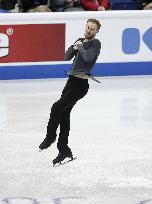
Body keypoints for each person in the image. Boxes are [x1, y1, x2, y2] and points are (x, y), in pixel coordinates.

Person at [39, 18, 101, 166]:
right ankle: (64, 150)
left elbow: (88, 58)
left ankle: (50, 137)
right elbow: (66, 57)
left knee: (56, 107)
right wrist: (74, 47)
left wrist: (80, 47)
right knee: (64, 113)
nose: (89, 30)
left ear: (97, 31)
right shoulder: (80, 41)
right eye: (88, 27)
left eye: (92, 29)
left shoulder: (95, 44)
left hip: (80, 85)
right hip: (70, 82)